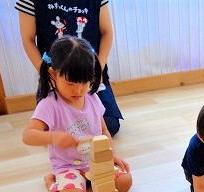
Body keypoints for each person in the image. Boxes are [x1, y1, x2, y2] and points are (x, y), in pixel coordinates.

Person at [22, 36, 131, 192]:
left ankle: (86, 182)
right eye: (70, 83)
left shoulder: (92, 97)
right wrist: (53, 137)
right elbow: (28, 136)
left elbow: (104, 131)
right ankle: (50, 181)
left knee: (125, 182)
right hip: (68, 167)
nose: (78, 90)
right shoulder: (49, 104)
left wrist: (112, 154)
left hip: (96, 161)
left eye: (85, 82)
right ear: (53, 74)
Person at [16, 0, 124, 136]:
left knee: (110, 124)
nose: (78, 91)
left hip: (88, 72)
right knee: (52, 127)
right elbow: (28, 39)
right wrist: (47, 74)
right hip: (57, 74)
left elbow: (107, 32)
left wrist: (97, 70)